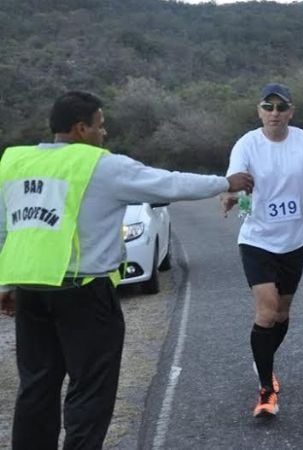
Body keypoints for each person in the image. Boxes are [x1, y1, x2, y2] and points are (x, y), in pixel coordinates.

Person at [0, 91, 254, 449]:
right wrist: (226, 183)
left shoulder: (15, 161)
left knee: (36, 386)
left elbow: (7, 228)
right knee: (90, 389)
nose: (103, 134)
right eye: (100, 126)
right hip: (84, 293)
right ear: (80, 128)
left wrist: (6, 284)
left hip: (31, 291)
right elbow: (169, 183)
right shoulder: (100, 164)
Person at [220, 83, 303, 418]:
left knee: (281, 314)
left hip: (293, 242)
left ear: (291, 111)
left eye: (281, 107)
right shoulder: (247, 143)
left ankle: (264, 360)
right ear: (259, 111)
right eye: (268, 107)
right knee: (266, 311)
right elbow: (240, 180)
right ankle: (265, 389)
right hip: (256, 240)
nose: (274, 113)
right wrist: (235, 197)